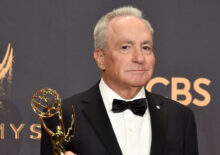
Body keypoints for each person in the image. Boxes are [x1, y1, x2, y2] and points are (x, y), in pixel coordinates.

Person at [41, 6, 199, 155]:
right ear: (101, 58)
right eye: (125, 47)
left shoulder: (180, 117)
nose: (139, 58)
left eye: (146, 47)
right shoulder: (62, 116)